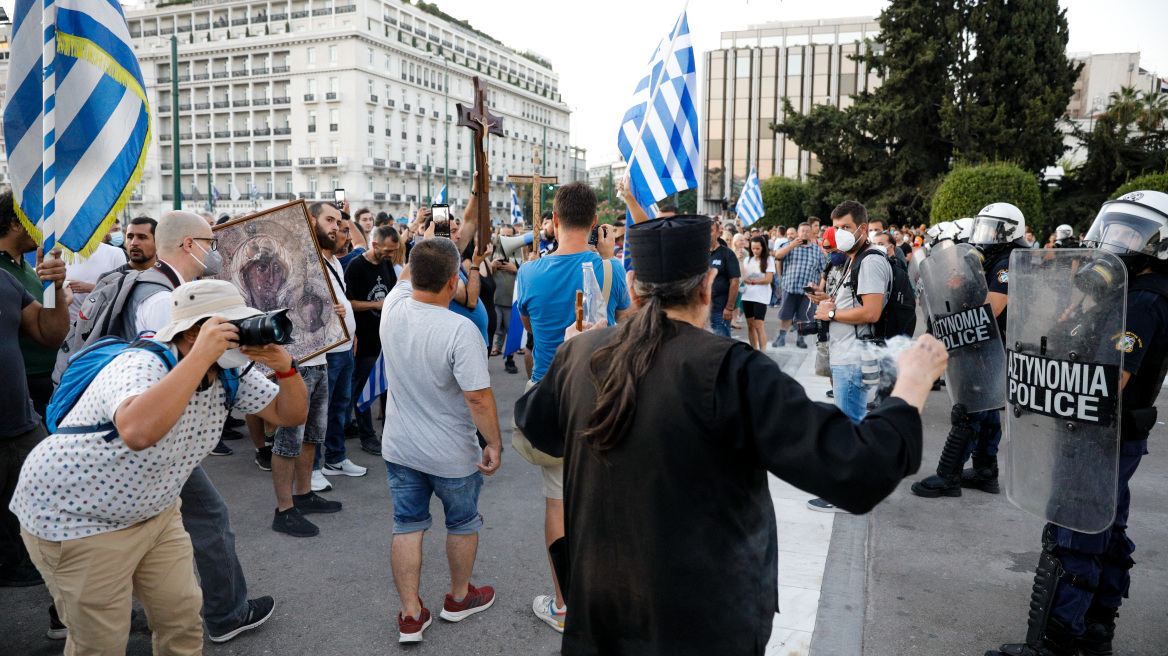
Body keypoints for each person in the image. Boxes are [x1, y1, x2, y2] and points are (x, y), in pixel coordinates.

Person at [513, 214, 949, 655]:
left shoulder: (582, 353)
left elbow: (536, 427)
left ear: (632, 285)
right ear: (706, 285)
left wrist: (570, 349)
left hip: (601, 613)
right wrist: (912, 384)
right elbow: (860, 468)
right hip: (702, 623)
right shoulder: (732, 369)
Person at [11, 280, 308, 655]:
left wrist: (287, 368)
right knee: (101, 643)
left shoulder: (228, 372)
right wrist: (200, 356)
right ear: (195, 331)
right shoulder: (143, 363)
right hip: (78, 519)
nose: (242, 335)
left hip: (155, 512)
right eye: (231, 326)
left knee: (181, 622)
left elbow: (289, 414)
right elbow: (138, 432)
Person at [984, 190, 1168, 656]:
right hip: (1117, 433)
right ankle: (1094, 630)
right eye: (1115, 227)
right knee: (1107, 527)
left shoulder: (1144, 301)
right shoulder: (1127, 291)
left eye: (1131, 232)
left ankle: (1056, 639)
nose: (1116, 239)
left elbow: (1108, 381)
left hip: (1100, 433)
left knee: (1076, 530)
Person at [123, 210, 282, 642]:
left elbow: (286, 411)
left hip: (161, 437)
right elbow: (171, 373)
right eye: (210, 243)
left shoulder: (174, 289)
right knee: (202, 520)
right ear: (190, 244)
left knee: (170, 526)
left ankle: (134, 607)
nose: (215, 252)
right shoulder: (162, 298)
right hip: (152, 437)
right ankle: (224, 614)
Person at [514, 181, 632, 634]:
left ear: (555, 221)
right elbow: (625, 326)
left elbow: (527, 322)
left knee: (558, 503)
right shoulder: (611, 269)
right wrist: (606, 260)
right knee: (605, 501)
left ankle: (564, 606)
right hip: (601, 397)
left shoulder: (530, 272)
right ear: (596, 222)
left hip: (552, 396)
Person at [379, 238, 502, 643]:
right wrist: (494, 443)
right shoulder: (460, 329)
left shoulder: (393, 307)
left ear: (412, 273)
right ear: (454, 282)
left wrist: (422, 237)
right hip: (451, 453)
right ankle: (459, 597)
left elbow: (404, 274)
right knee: (463, 522)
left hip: (400, 447)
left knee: (407, 526)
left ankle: (410, 615)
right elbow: (478, 397)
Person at [912, 203, 1024, 499]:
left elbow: (993, 307)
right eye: (983, 227)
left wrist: (962, 285)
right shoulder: (992, 259)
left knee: (968, 409)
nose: (985, 234)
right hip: (983, 344)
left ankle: (948, 475)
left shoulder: (1007, 262)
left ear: (1010, 231)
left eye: (993, 228)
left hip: (992, 344)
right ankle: (986, 471)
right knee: (986, 409)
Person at [808, 200, 891, 512]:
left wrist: (831, 312)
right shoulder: (854, 260)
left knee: (850, 425)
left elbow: (871, 312)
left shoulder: (870, 261)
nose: (839, 233)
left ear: (862, 228)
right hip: (845, 353)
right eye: (836, 227)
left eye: (845, 227)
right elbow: (851, 303)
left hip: (854, 355)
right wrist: (829, 301)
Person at [0, 241, 69, 589]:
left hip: (23, 429)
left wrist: (54, 289)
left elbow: (50, 334)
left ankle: (72, 614)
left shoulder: (6, 280)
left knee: (58, 524)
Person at [0, 195, 69, 421]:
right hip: (20, 390)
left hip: (47, 382)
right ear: (15, 223)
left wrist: (56, 288)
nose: (44, 228)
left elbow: (52, 333)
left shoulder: (25, 267)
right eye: (38, 221)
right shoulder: (4, 272)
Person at [316, 214, 364, 480]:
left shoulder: (335, 262)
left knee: (341, 406)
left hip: (344, 345)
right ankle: (313, 467)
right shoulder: (315, 262)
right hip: (329, 350)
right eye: (338, 231)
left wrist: (352, 334)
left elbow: (342, 300)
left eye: (344, 230)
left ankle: (335, 459)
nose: (345, 235)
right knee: (322, 409)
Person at [345, 225, 400, 456]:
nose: (391, 255)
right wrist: (375, 305)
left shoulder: (387, 263)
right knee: (363, 391)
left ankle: (390, 433)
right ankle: (367, 436)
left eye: (394, 251)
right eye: (388, 250)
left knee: (389, 388)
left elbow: (393, 291)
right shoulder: (356, 266)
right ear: (374, 244)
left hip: (386, 338)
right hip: (365, 339)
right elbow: (347, 303)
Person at [773, 222, 827, 348]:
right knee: (786, 315)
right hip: (790, 286)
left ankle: (800, 339)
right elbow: (778, 255)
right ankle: (781, 338)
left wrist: (820, 289)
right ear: (798, 233)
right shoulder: (788, 245)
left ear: (811, 233)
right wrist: (792, 245)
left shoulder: (817, 250)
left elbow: (821, 271)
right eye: (802, 231)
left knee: (804, 316)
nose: (804, 233)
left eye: (807, 231)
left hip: (808, 291)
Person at [63, 224, 127, 323]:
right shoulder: (63, 254)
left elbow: (123, 288)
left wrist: (89, 288)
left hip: (101, 323)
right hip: (67, 324)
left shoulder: (115, 253)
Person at [491, 225, 521, 373]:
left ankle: (510, 360)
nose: (506, 239)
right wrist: (492, 265)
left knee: (512, 332)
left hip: (512, 301)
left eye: (509, 236)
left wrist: (515, 269)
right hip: (495, 300)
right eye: (503, 235)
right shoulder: (492, 250)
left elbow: (528, 271)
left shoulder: (520, 251)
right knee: (492, 330)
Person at [740, 235, 775, 352]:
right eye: (753, 248)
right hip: (747, 295)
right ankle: (754, 350)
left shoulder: (769, 260)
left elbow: (768, 279)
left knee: (759, 325)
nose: (755, 251)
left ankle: (763, 352)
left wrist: (753, 282)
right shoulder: (748, 260)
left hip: (761, 296)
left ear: (763, 248)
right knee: (750, 325)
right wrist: (740, 261)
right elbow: (743, 276)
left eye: (757, 248)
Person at [707, 219, 740, 338]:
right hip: (702, 310)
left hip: (720, 310)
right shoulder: (698, 254)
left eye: (710, 231)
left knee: (722, 345)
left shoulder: (727, 254)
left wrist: (729, 308)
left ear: (718, 233)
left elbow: (735, 282)